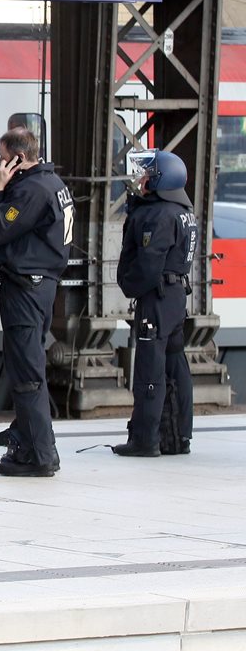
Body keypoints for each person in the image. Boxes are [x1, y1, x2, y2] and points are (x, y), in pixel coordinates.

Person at [0, 127, 73, 477]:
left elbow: (2, 227)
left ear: (17, 158)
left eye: (3, 158)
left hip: (25, 290)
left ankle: (39, 456)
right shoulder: (51, 184)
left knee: (27, 373)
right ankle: (34, 441)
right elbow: (15, 225)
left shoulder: (30, 189)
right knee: (29, 368)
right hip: (41, 287)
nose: (0, 164)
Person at [114, 149, 197, 456]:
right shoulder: (182, 211)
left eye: (149, 174)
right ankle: (178, 437)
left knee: (150, 367)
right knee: (176, 365)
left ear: (164, 180)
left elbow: (148, 265)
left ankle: (146, 439)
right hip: (176, 297)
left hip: (157, 298)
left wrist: (129, 286)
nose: (142, 178)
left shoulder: (159, 215)